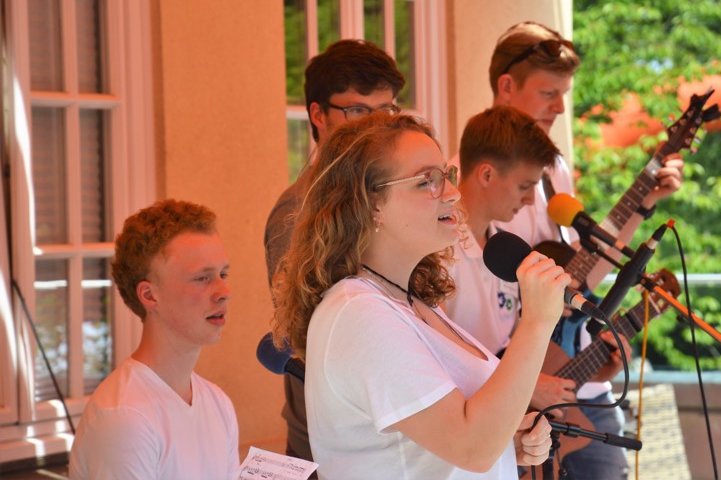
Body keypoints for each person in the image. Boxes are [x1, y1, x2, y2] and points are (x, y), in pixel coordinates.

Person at [271, 113, 566, 479]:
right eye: (429, 181)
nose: (454, 193)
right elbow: (472, 448)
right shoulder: (358, 314)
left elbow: (449, 441)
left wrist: (506, 438)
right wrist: (537, 323)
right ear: (372, 202)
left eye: (447, 175)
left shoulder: (411, 303)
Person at [488, 21, 684, 479]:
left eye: (564, 93)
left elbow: (581, 267)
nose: (560, 106)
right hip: (513, 391)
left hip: (579, 387)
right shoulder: (476, 170)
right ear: (506, 86)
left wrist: (646, 201)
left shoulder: (554, 166)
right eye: (548, 93)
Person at [264, 39, 405, 463]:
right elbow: (308, 337)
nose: (378, 125)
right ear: (317, 115)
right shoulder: (297, 212)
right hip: (333, 445)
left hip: (390, 431)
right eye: (360, 111)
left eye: (387, 110)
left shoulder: (381, 194)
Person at [69, 199, 239, 479]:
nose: (224, 290)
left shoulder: (217, 403)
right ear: (149, 295)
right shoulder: (125, 416)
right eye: (202, 278)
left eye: (223, 273)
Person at [445, 105, 560, 359]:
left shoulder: (505, 249)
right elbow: (434, 351)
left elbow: (507, 346)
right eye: (524, 186)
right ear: (486, 174)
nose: (531, 200)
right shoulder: (437, 249)